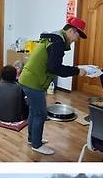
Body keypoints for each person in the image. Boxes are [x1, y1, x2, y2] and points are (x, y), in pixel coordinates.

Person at [19, 17, 89, 155]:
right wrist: (77, 71)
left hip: (29, 79)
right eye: (77, 35)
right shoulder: (57, 42)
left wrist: (75, 69)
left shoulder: (54, 38)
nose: (77, 39)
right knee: (40, 113)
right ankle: (37, 145)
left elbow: (52, 67)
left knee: (34, 111)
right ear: (70, 31)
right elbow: (54, 68)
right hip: (33, 82)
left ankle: (32, 139)